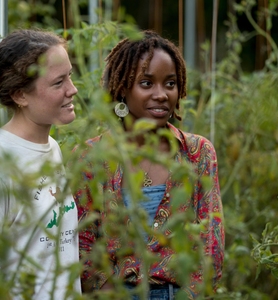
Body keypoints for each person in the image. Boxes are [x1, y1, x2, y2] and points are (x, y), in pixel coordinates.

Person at [74, 30, 224, 299]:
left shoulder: (198, 153)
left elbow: (211, 243)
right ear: (122, 88)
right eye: (146, 83)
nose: (161, 94)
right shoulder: (91, 157)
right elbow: (83, 244)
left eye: (170, 84)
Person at [0, 29, 81, 299]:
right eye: (58, 82)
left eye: (69, 75)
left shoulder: (53, 149)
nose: (73, 89)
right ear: (20, 95)